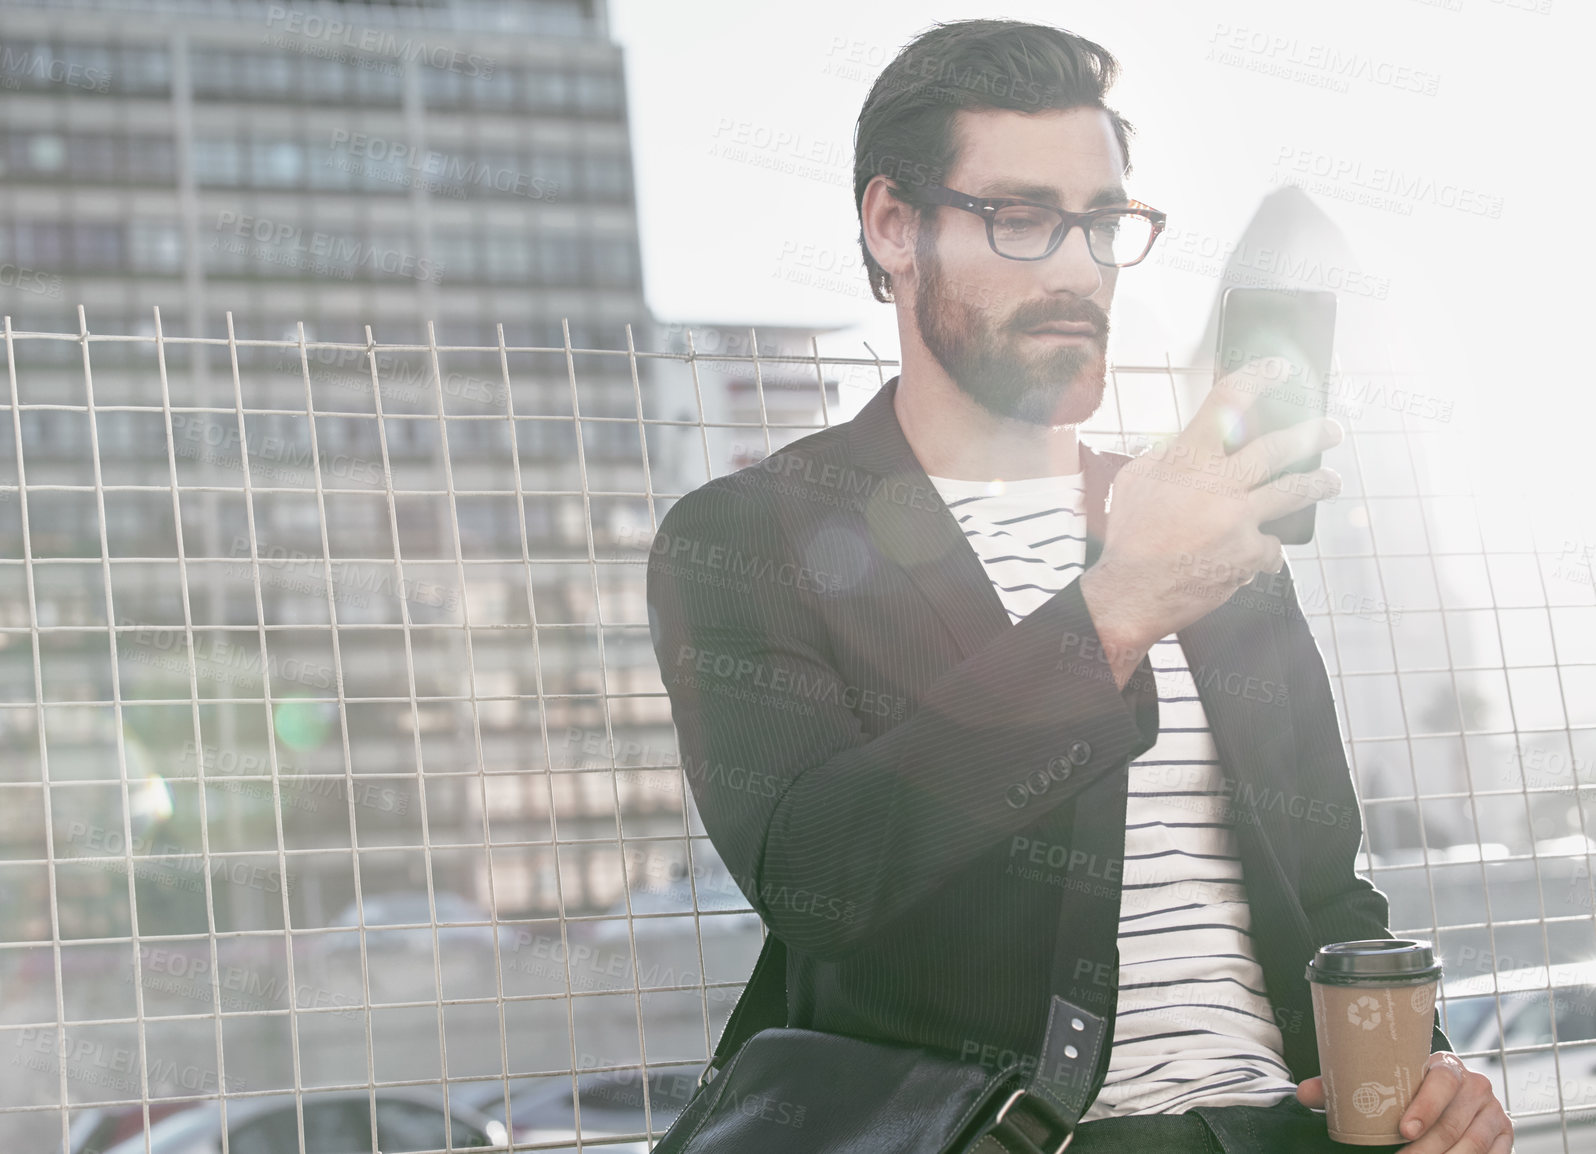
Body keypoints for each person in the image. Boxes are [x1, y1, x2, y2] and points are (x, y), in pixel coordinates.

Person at [645, 18, 1513, 1154]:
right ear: (894, 226)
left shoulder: (1207, 519)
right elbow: (820, 881)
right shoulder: (753, 533)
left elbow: (1324, 891)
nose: (1074, 265)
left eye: (1102, 221)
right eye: (1020, 218)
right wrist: (1115, 607)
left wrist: (1425, 1071)